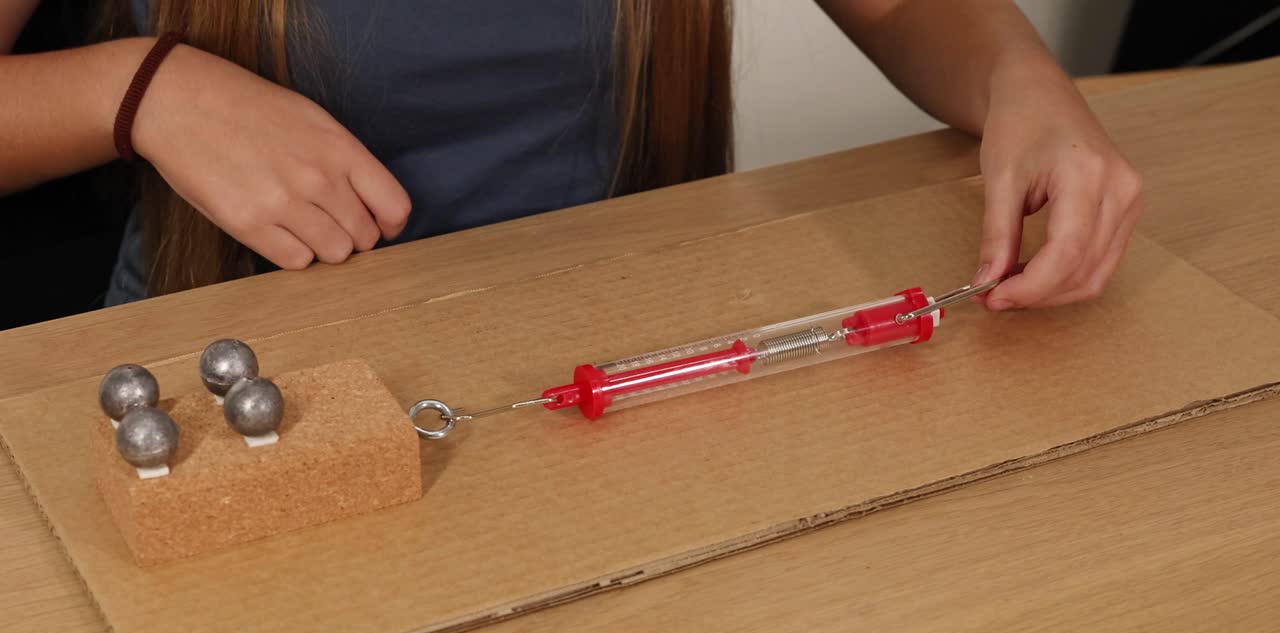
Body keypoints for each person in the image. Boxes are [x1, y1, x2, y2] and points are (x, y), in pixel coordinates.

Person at [0, 0, 1142, 313]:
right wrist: (134, 88)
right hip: (248, 396)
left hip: (598, 373)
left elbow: (898, 13)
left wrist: (1021, 83)